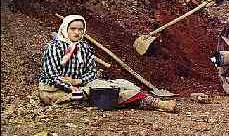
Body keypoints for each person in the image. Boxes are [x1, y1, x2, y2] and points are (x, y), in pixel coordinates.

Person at [38, 15, 176, 112]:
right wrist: (70, 87)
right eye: (73, 29)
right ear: (65, 29)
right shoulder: (54, 47)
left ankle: (145, 99)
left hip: (80, 84)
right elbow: (51, 76)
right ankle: (154, 103)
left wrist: (78, 80)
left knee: (120, 83)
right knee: (101, 93)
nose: (77, 32)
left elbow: (92, 72)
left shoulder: (84, 48)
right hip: (55, 91)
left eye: (80, 29)